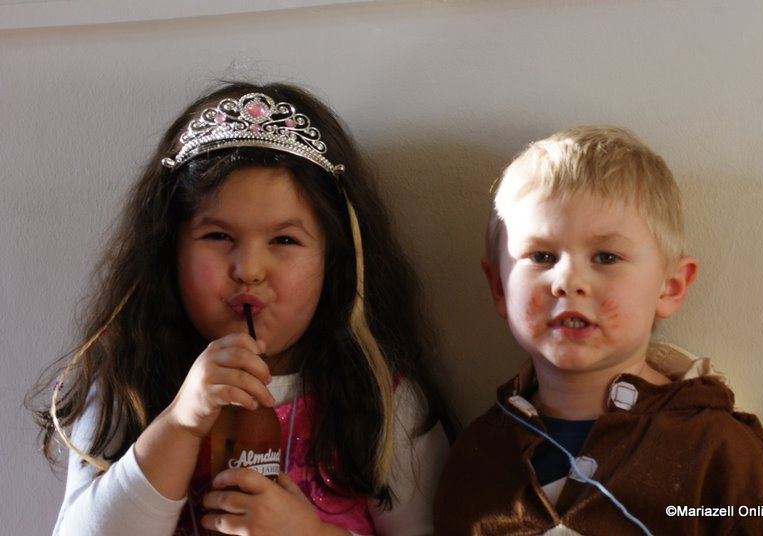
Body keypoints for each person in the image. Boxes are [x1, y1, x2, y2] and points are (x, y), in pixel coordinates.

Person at [28, 81, 450, 536]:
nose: (248, 269)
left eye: (284, 240)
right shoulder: (127, 382)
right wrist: (180, 424)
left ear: (335, 259)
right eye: (218, 236)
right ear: (170, 250)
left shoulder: (382, 397)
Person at [434, 126, 763, 534]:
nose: (568, 281)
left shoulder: (723, 458)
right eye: (541, 256)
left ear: (670, 287)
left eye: (606, 257)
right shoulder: (476, 460)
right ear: (499, 288)